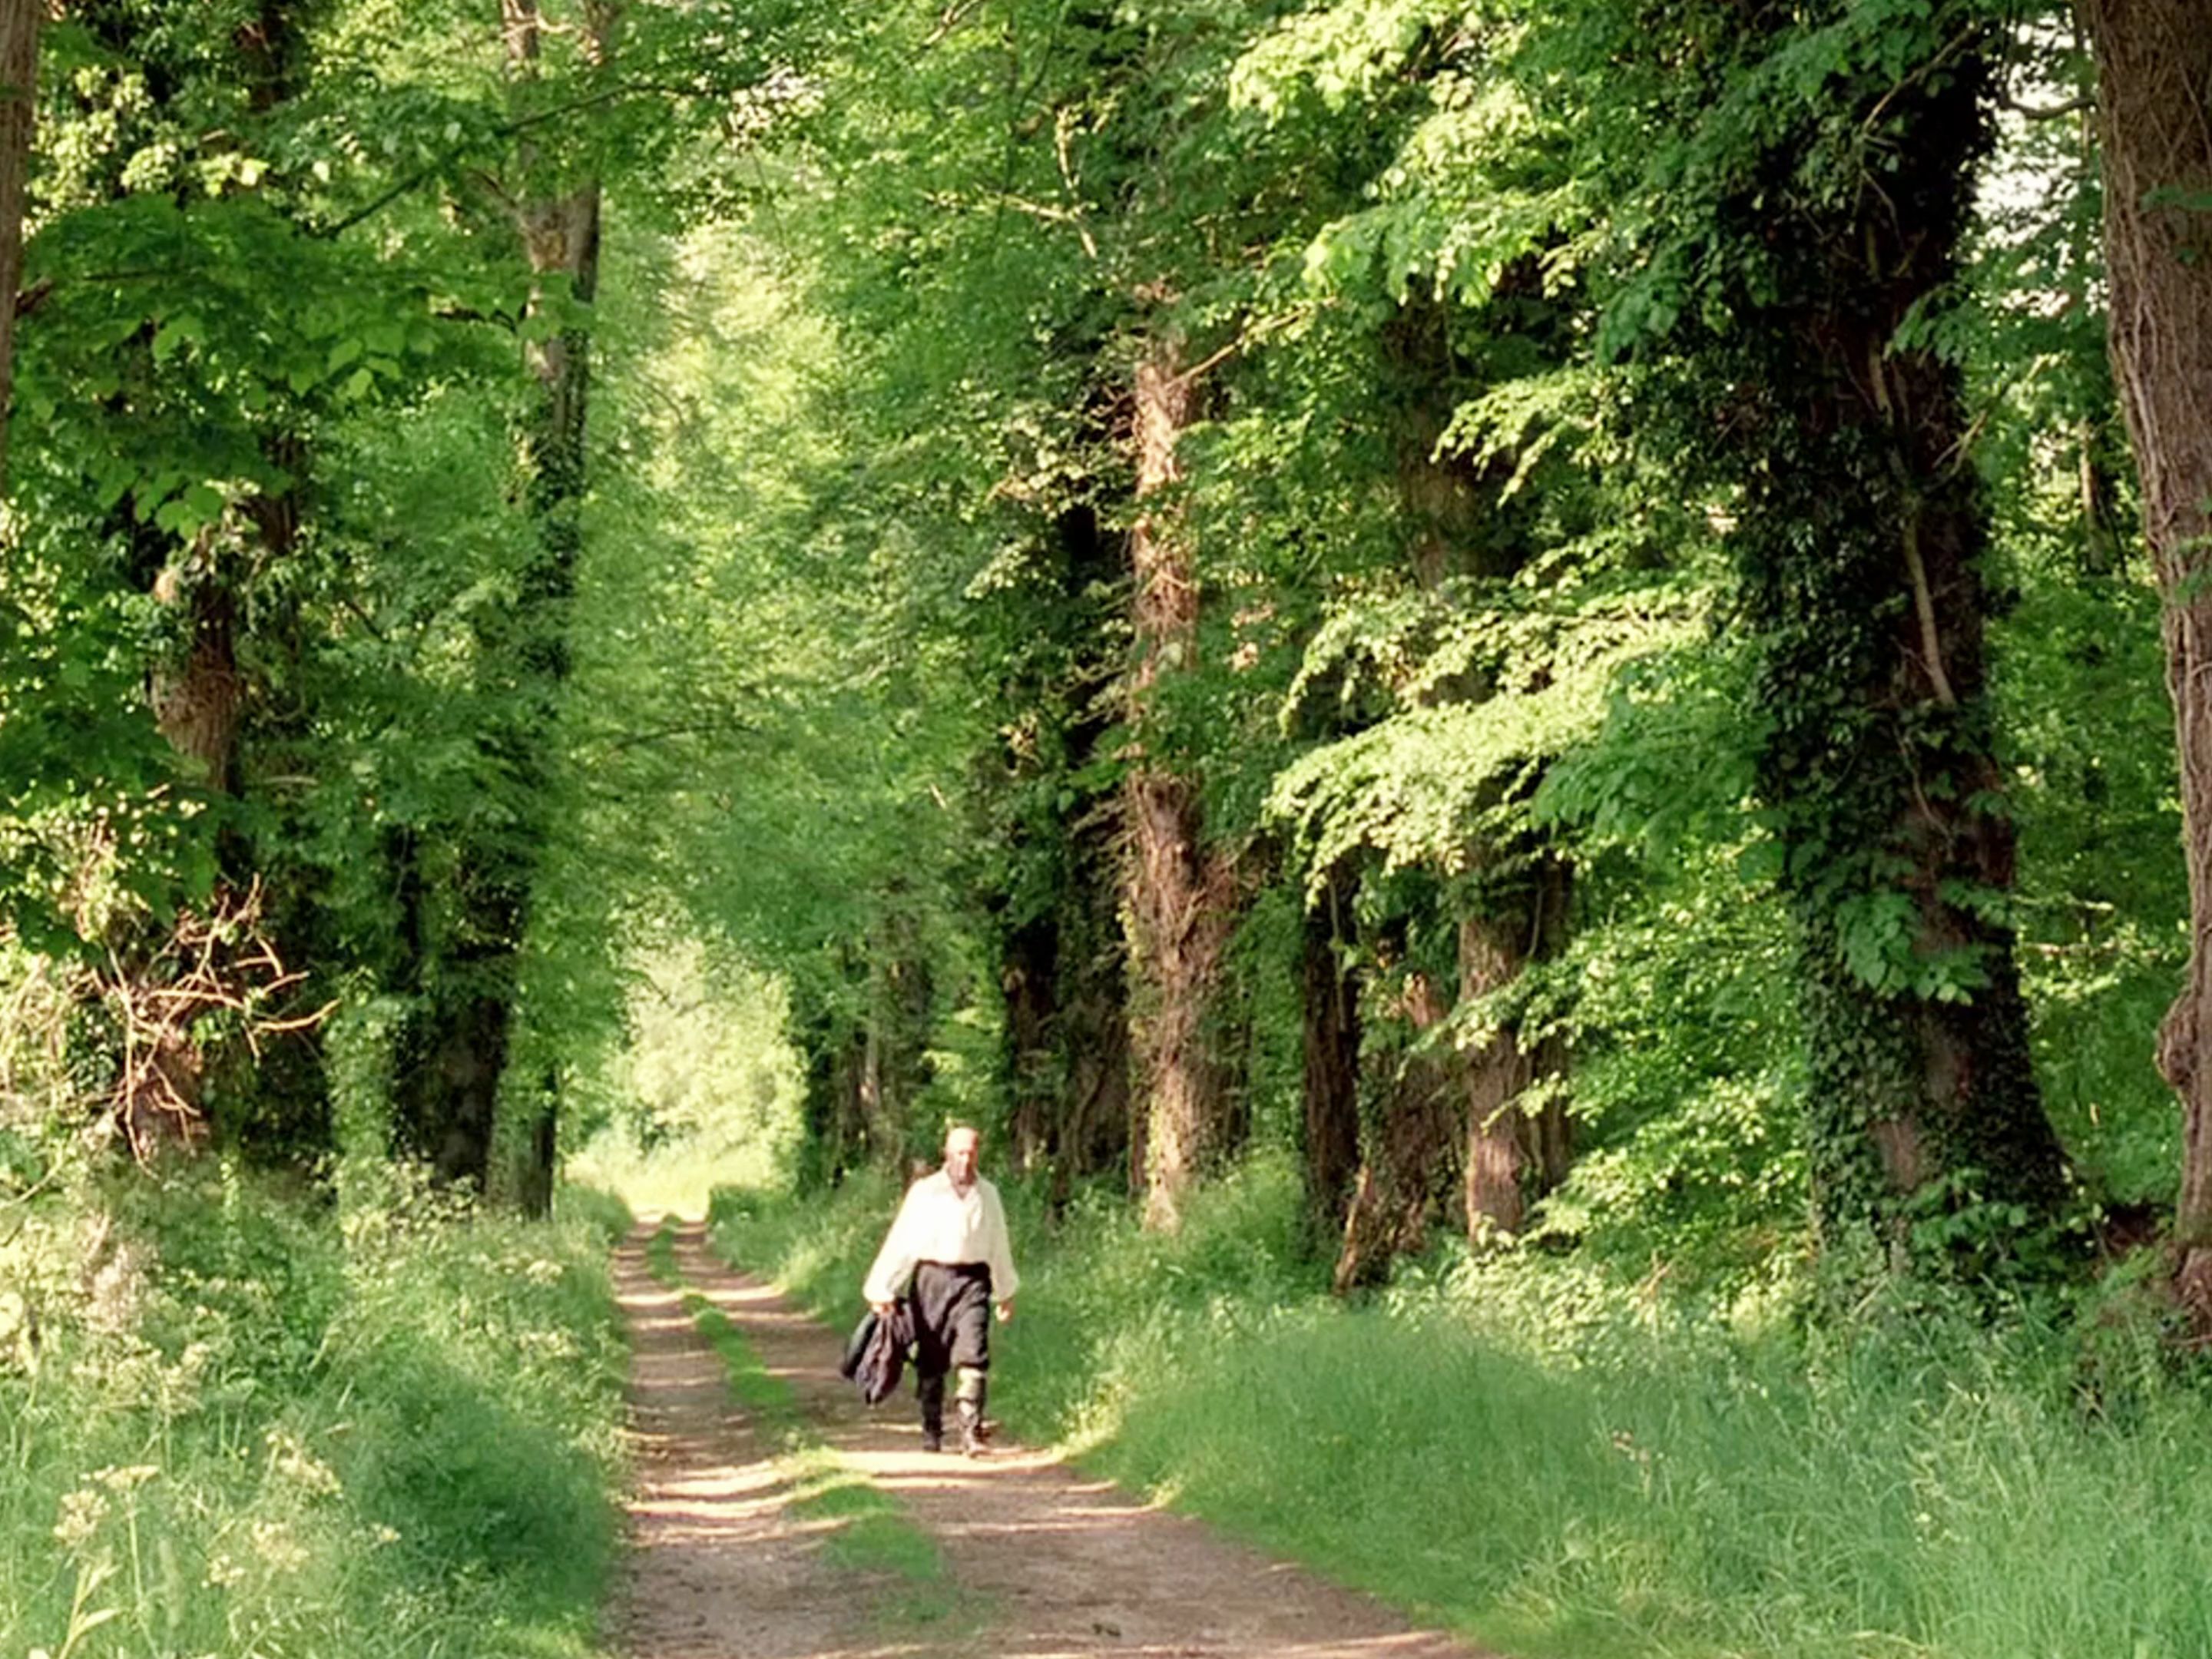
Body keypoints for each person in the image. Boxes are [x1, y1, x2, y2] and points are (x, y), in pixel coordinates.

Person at [861, 1122, 1018, 1455]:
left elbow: (998, 1243)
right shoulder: (926, 1192)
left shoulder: (988, 1194)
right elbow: (903, 1240)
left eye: (971, 1153)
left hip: (973, 1281)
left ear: (978, 1155)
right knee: (932, 1359)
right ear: (946, 1154)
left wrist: (1005, 1291)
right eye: (959, 1153)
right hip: (932, 1279)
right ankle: (931, 1428)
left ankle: (971, 1431)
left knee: (974, 1352)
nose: (965, 1160)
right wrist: (882, 1287)